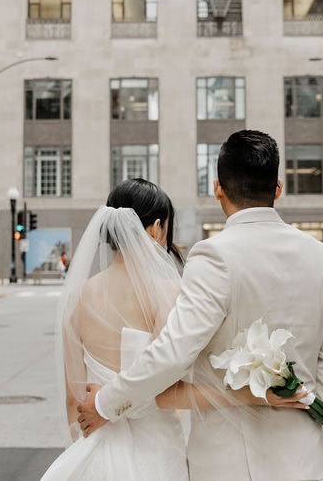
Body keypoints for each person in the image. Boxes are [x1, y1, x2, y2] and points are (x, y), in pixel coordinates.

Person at [77, 130, 323, 480]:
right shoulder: (320, 255)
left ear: (218, 187)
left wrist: (105, 403)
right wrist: (319, 430)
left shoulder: (213, 255)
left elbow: (173, 352)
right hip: (309, 460)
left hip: (229, 463)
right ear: (278, 188)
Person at [42, 178, 304, 481]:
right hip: (154, 454)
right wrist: (254, 395)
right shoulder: (165, 292)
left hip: (94, 453)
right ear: (156, 227)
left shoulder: (76, 298)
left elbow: (73, 402)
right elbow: (171, 393)